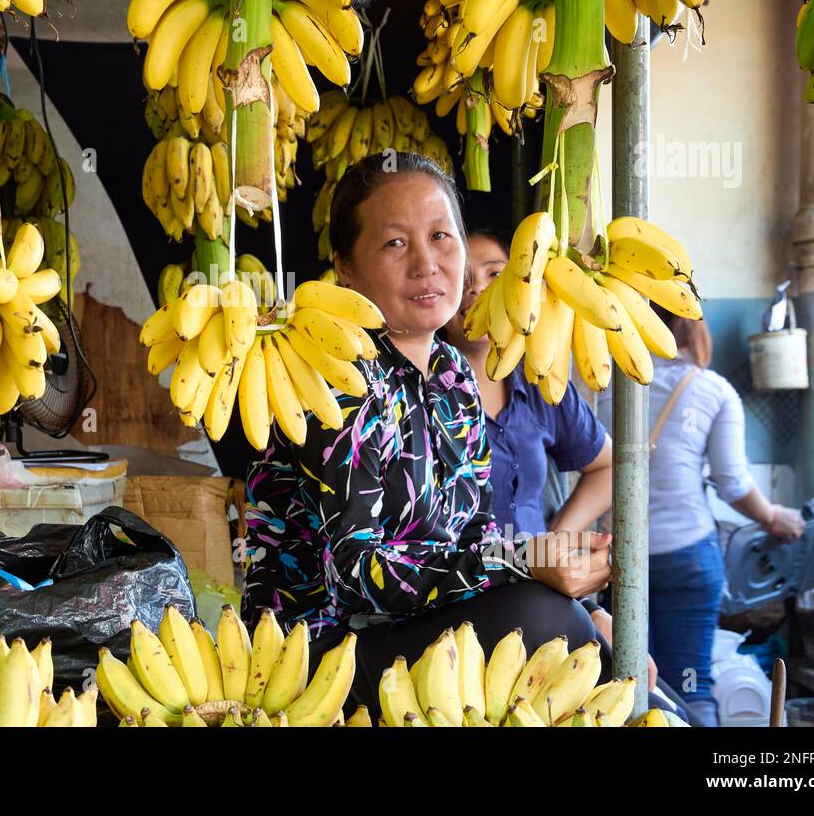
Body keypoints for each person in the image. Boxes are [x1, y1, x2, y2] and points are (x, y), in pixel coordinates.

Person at [242, 152, 612, 718]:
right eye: (395, 243)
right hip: (315, 656)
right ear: (345, 266)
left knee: (579, 631)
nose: (427, 264)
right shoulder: (331, 374)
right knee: (546, 621)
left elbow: (474, 534)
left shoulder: (455, 374)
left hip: (413, 633)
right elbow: (357, 575)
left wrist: (543, 555)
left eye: (441, 236)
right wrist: (518, 564)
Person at [444, 231, 666, 692]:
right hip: (455, 600)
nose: (476, 289)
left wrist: (557, 539)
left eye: (493, 274)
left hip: (547, 588)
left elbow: (609, 467)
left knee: (640, 685)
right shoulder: (420, 395)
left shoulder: (542, 377)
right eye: (462, 277)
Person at [594, 305, 806, 727]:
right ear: (694, 328)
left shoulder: (599, 385)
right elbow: (732, 481)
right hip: (687, 557)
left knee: (624, 685)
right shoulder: (711, 389)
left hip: (610, 558)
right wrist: (774, 517)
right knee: (691, 683)